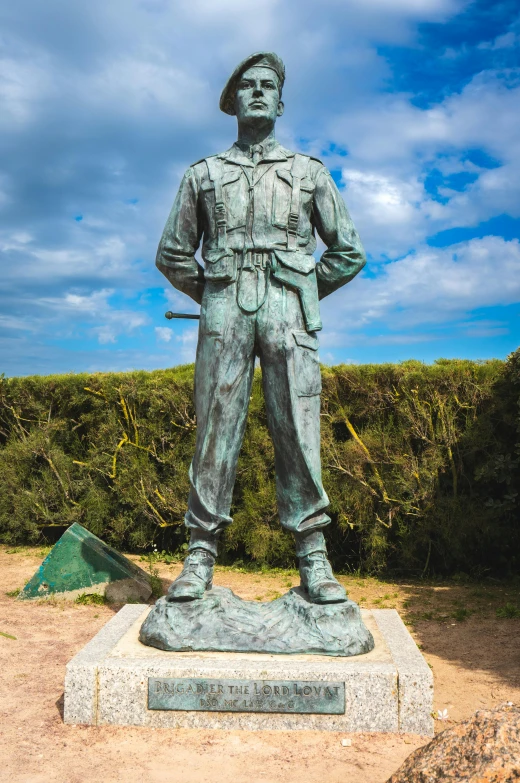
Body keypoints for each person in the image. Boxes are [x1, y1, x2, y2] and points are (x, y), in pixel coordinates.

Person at [156, 52, 366, 604]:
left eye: (266, 85)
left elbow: (348, 252)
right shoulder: (202, 175)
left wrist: (303, 289)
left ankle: (313, 557)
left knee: (298, 430)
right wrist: (214, 294)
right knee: (215, 431)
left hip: (289, 311)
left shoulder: (309, 173)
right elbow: (173, 254)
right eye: (246, 85)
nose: (256, 92)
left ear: (279, 99)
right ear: (233, 101)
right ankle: (200, 553)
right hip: (225, 310)